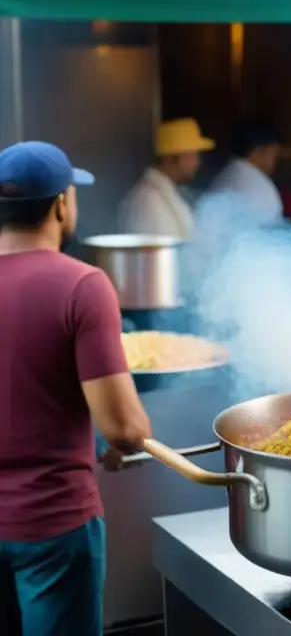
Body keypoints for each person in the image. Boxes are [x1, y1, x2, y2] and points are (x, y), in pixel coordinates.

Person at [0, 142, 152, 636]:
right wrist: (116, 443)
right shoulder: (81, 285)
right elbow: (126, 428)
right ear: (62, 204)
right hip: (53, 524)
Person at [118, 118, 215, 239]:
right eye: (190, 156)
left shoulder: (174, 192)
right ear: (168, 159)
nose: (197, 163)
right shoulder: (147, 201)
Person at [208, 120, 283, 223]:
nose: (275, 163)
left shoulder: (225, 175)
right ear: (259, 151)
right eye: (274, 156)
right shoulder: (259, 187)